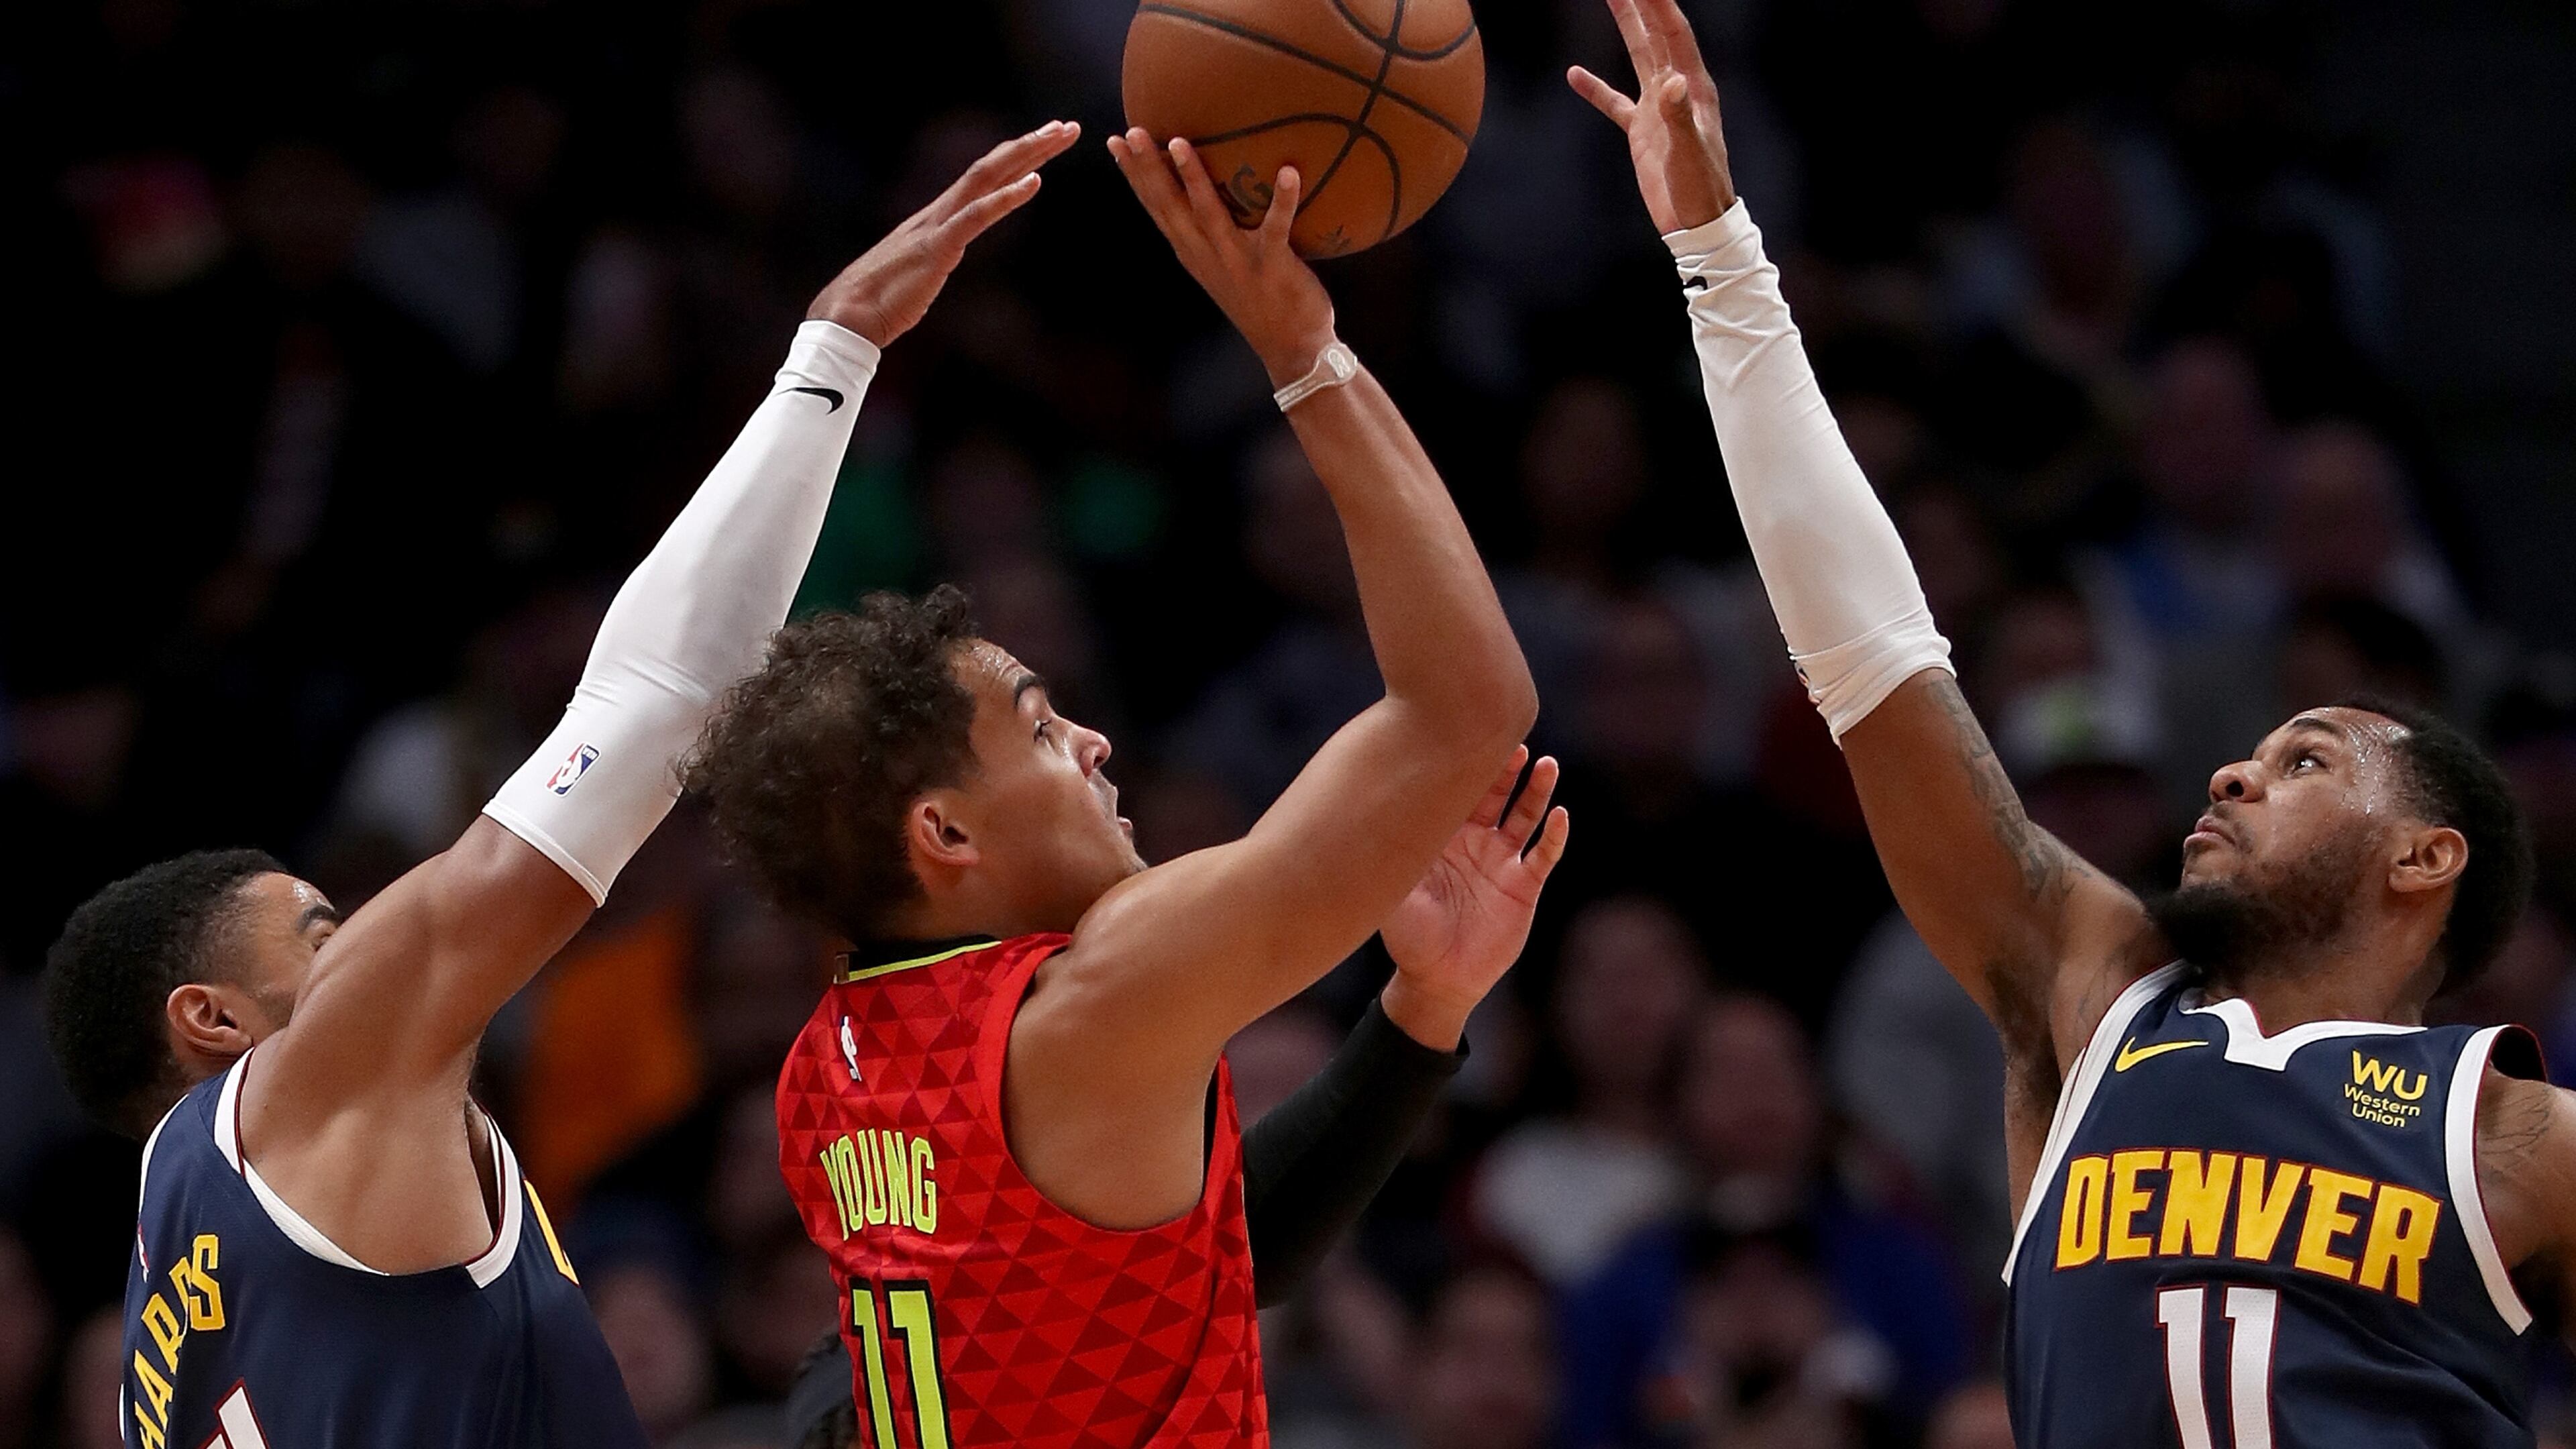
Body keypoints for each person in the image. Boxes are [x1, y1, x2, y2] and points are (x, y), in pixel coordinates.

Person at [1573, 0, 2572, 1442]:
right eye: (2258, 745)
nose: (2235, 766)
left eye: (2307, 760)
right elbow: (1873, 659)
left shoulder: (2516, 1136)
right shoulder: (2097, 995)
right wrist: (1723, 260)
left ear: (2425, 860)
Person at [38, 121, 1086, 1449]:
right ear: (213, 1018)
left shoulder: (161, 1332)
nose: (365, 936)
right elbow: (655, 704)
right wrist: (835, 350)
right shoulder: (303, 1088)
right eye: (319, 931)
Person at [684, 130, 1557, 1449]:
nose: (1092, 743)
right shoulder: (1095, 997)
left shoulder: (827, 1071)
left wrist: (1420, 1009)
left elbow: (1194, 1263)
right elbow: (1465, 709)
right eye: (1039, 731)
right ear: (944, 831)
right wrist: (1304, 352)